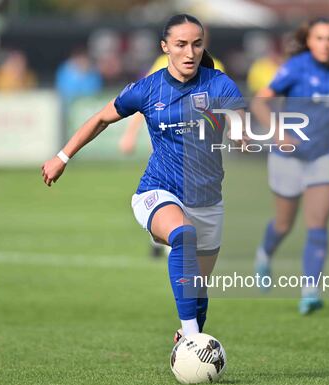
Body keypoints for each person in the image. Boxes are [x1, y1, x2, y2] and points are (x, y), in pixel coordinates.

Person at [42, 14, 245, 341]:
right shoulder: (148, 89)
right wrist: (62, 156)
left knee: (197, 289)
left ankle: (187, 335)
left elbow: (239, 122)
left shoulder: (219, 83)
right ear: (165, 47)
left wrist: (240, 134)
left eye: (196, 44)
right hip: (158, 190)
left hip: (207, 199)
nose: (190, 52)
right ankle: (193, 338)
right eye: (181, 45)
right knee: (184, 236)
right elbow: (101, 118)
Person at [251, 18, 329, 315]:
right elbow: (260, 102)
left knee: (318, 225)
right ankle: (264, 253)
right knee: (284, 224)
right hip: (288, 157)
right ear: (309, 41)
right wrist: (277, 132)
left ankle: (310, 291)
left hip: (324, 155)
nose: (326, 44)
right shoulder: (296, 67)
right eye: (319, 38)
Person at [117, 28, 226, 260]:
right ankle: (168, 236)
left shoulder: (216, 66)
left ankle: (166, 234)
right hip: (167, 132)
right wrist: (131, 133)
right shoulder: (162, 63)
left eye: (196, 42)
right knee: (163, 180)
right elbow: (146, 98)